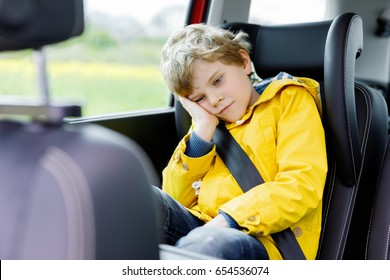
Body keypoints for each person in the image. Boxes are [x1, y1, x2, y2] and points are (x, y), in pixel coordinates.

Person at [153, 23, 327, 260]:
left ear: (244, 62)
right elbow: (175, 200)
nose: (214, 100)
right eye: (199, 98)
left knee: (210, 243)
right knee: (136, 197)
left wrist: (228, 220)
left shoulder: (288, 100)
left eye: (217, 81)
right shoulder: (209, 124)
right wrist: (202, 131)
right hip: (204, 230)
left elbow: (300, 185)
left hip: (266, 241)